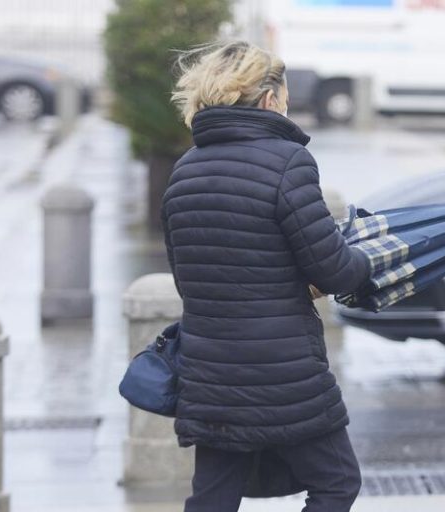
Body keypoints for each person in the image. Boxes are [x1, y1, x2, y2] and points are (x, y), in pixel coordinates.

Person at [164, 40, 371, 512]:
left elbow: (186, 276)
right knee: (336, 483)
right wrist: (368, 261)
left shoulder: (184, 171)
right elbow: (333, 269)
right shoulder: (287, 162)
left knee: (213, 498)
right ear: (269, 99)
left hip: (209, 372)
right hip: (283, 372)